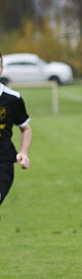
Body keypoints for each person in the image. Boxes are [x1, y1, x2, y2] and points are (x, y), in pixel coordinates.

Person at [0, 50, 32, 213]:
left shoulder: (12, 99)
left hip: (3, 163)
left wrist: (24, 153)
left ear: (1, 69)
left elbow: (25, 128)